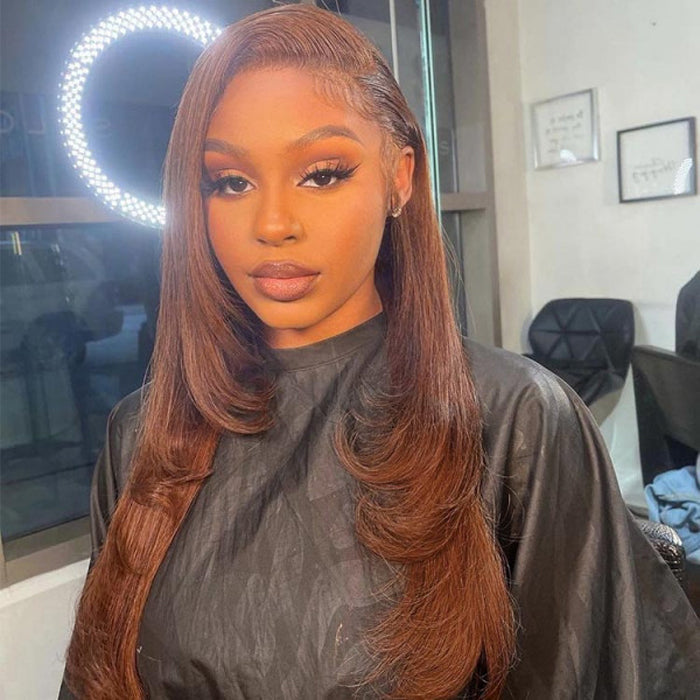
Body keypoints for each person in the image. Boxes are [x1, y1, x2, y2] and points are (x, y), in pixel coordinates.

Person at [59, 5, 699, 699]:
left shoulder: (515, 422)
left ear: (399, 178)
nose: (272, 224)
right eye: (231, 182)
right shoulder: (144, 433)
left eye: (322, 174)